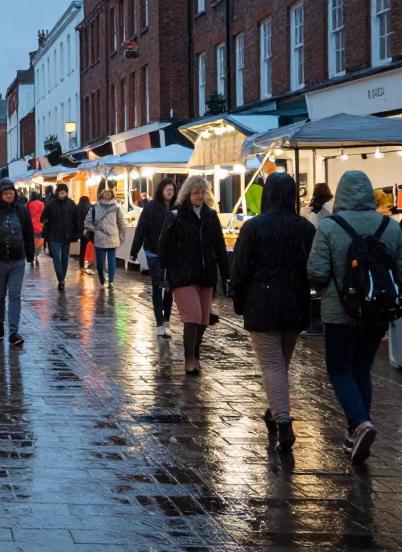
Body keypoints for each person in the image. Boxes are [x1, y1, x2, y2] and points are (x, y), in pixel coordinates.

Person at [308, 170, 402, 466]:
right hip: (377, 311)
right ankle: (354, 434)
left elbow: (316, 271)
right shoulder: (390, 227)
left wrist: (329, 287)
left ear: (340, 194)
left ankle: (360, 424)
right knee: (362, 371)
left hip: (338, 311)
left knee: (340, 370)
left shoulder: (330, 226)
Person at [230, 172, 315, 453]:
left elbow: (239, 269)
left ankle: (283, 421)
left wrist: (239, 302)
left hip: (262, 302)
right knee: (280, 363)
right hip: (294, 303)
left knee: (273, 365)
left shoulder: (254, 227)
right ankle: (274, 411)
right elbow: (312, 267)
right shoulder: (304, 227)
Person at [158, 175, 229, 376]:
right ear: (187, 193)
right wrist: (163, 273)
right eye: (195, 192)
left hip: (206, 274)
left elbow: (220, 247)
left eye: (202, 192)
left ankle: (195, 354)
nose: (199, 195)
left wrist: (225, 274)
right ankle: (189, 359)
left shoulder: (211, 216)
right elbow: (163, 247)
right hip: (183, 274)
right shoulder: (176, 216)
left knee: (203, 319)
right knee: (193, 315)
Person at [0, 178, 34, 347]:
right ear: (0, 194)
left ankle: (13, 331)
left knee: (15, 295)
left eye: (11, 193)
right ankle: (0, 322)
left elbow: (28, 232)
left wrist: (30, 253)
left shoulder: (22, 211)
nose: (9, 195)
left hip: (18, 260)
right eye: (6, 193)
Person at [130, 178, 177, 336]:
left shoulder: (178, 207)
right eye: (167, 189)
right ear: (161, 190)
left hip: (171, 253)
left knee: (170, 286)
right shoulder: (151, 207)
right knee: (157, 285)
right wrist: (134, 249)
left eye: (172, 189)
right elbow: (141, 228)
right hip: (153, 250)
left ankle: (166, 320)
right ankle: (159, 321)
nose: (170, 192)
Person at [40, 183, 81, 291]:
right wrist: (48, 225)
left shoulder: (71, 204)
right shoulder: (51, 204)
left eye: (64, 191)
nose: (62, 193)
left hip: (67, 236)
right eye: (61, 191)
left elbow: (76, 220)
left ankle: (62, 279)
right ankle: (61, 279)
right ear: (57, 192)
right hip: (54, 235)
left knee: (64, 259)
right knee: (56, 258)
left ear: (66, 192)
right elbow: (43, 218)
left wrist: (77, 233)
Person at [84, 187, 126, 288]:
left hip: (100, 239)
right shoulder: (116, 207)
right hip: (113, 237)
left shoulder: (94, 207)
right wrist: (121, 237)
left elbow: (87, 222)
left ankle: (102, 279)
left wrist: (96, 230)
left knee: (100, 262)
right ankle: (110, 282)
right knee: (111, 261)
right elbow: (122, 224)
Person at [76, 194, 93, 275]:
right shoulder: (91, 207)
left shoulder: (77, 207)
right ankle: (92, 263)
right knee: (93, 247)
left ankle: (81, 266)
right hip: (90, 230)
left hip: (81, 231)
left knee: (82, 249)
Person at [28, 191, 44, 266]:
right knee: (38, 244)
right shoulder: (42, 204)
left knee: (31, 243)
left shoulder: (29, 204)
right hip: (39, 227)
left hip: (31, 227)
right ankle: (36, 257)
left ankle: (31, 258)